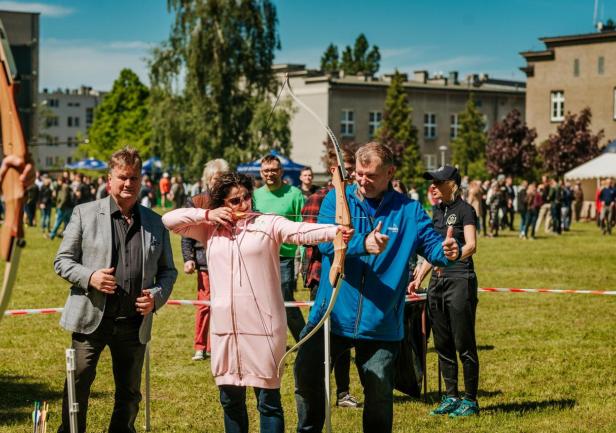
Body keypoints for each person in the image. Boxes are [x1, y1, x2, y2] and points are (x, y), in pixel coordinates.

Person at [163, 172, 353, 433]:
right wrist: (207, 215)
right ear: (221, 204)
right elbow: (169, 220)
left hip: (263, 328)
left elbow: (300, 231)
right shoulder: (210, 229)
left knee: (268, 402)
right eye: (234, 201)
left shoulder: (268, 223)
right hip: (225, 330)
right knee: (230, 400)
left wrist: (335, 231)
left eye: (246, 197)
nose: (243, 204)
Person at [294, 142, 460, 433]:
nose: (362, 180)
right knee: (306, 377)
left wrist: (447, 251)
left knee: (380, 394)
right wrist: (363, 244)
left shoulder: (409, 210)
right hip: (331, 315)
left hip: (381, 321)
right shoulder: (337, 199)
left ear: (390, 173)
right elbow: (325, 241)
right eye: (359, 173)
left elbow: (432, 247)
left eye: (371, 175)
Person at [54, 148, 177, 433]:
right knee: (77, 384)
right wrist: (90, 277)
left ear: (141, 179)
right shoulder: (84, 213)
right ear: (110, 179)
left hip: (134, 323)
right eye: (122, 177)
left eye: (134, 177)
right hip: (91, 319)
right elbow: (62, 261)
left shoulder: (155, 222)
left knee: (130, 392)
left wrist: (156, 296)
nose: (128, 183)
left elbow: (168, 271)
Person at [409, 165, 480, 417]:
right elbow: (433, 250)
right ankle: (451, 396)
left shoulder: (465, 210)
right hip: (437, 283)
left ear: (452, 184)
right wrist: (420, 275)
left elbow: (471, 245)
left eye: (438, 182)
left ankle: (470, 400)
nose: (433, 186)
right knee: (442, 343)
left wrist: (455, 255)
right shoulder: (437, 211)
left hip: (460, 279)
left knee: (464, 343)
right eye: (432, 182)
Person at [301, 149, 359, 408]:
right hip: (321, 275)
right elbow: (311, 239)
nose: (350, 173)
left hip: (348, 279)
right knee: (320, 336)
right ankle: (316, 389)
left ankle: (342, 391)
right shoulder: (319, 198)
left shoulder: (357, 198)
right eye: (344, 168)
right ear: (333, 170)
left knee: (342, 337)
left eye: (351, 167)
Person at [253, 154, 306, 342]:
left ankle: (304, 343)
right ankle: (268, 341)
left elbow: (302, 226)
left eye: (274, 170)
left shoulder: (295, 194)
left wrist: (303, 257)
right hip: (260, 257)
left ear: (281, 171)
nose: (270, 174)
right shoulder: (255, 196)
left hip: (285, 258)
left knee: (286, 302)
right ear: (261, 172)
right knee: (260, 302)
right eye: (266, 171)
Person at [182, 158, 229, 361]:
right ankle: (200, 346)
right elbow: (187, 233)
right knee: (204, 305)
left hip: (227, 260)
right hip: (204, 261)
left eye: (222, 178)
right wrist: (188, 258)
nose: (219, 183)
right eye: (215, 179)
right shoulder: (196, 201)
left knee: (224, 305)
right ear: (208, 179)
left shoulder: (231, 199)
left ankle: (216, 345)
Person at [49, 175, 74, 240]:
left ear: (61, 181)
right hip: (67, 207)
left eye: (58, 181)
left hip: (63, 207)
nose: (57, 182)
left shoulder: (64, 187)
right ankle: (65, 236)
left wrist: (59, 206)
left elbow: (64, 198)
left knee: (58, 221)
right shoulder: (63, 187)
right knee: (66, 222)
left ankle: (52, 235)